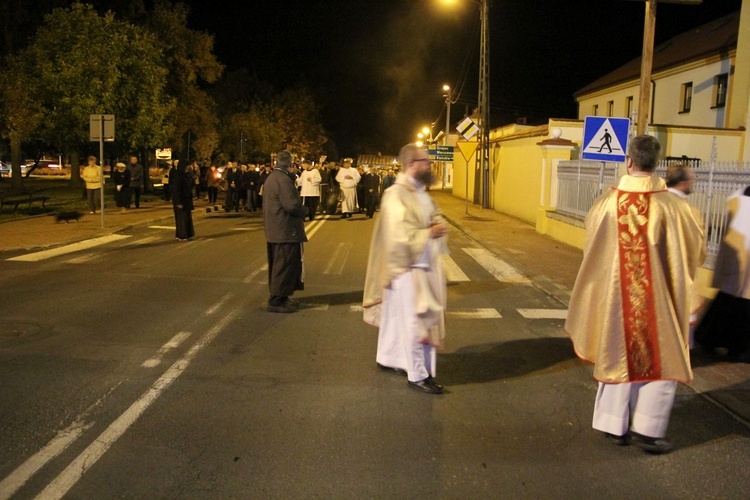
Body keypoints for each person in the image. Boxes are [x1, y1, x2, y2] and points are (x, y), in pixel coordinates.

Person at [564, 135, 705, 454]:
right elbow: (693, 250)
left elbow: (592, 246)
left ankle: (613, 423)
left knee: (616, 352)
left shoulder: (606, 203)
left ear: (629, 161)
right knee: (663, 356)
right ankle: (648, 429)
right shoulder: (674, 207)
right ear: (657, 163)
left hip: (616, 298)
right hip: (658, 302)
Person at [362, 143, 449, 395]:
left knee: (396, 318)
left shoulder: (419, 192)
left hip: (420, 265)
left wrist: (437, 225)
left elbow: (435, 215)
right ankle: (418, 374)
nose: (430, 164)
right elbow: (399, 237)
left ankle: (389, 357)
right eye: (426, 160)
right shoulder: (395, 195)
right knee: (416, 322)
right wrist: (430, 232)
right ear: (412, 164)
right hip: (406, 269)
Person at [694, 185, 750, 363]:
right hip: (744, 261)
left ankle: (708, 338)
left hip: (736, 259)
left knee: (728, 300)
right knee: (740, 305)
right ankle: (738, 348)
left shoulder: (739, 195)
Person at [262, 150, 308, 313]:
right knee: (284, 265)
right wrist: (304, 210)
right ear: (289, 164)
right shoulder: (283, 180)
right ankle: (276, 300)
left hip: (276, 228)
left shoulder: (273, 178)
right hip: (285, 229)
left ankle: (283, 296)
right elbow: (291, 205)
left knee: (282, 264)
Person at [666, 161, 705, 345]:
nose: (693, 183)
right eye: (691, 180)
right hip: (680, 275)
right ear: (683, 182)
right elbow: (698, 249)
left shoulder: (654, 202)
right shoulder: (689, 211)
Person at [170, 159, 195, 241]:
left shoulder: (186, 174)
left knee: (187, 218)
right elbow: (176, 190)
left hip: (186, 200)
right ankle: (182, 235)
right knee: (181, 219)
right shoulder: (178, 176)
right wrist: (178, 202)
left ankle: (188, 234)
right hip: (181, 200)